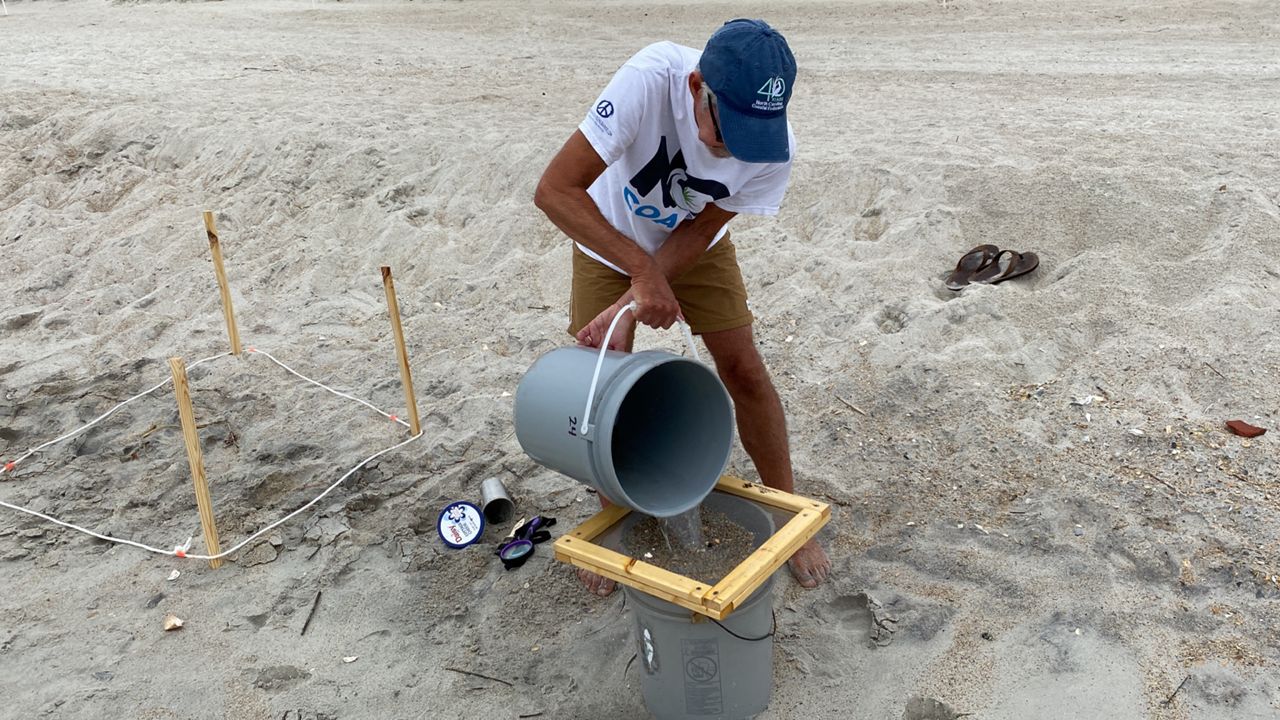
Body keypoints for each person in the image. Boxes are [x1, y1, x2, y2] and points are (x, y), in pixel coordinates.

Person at [533, 19, 831, 595]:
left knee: (743, 368)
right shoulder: (650, 78)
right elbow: (554, 191)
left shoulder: (773, 150)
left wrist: (646, 283)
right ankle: (616, 522)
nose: (735, 148)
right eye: (728, 129)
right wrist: (635, 278)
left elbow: (704, 228)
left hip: (692, 244)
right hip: (604, 231)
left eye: (755, 133)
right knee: (603, 378)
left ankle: (790, 519)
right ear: (698, 86)